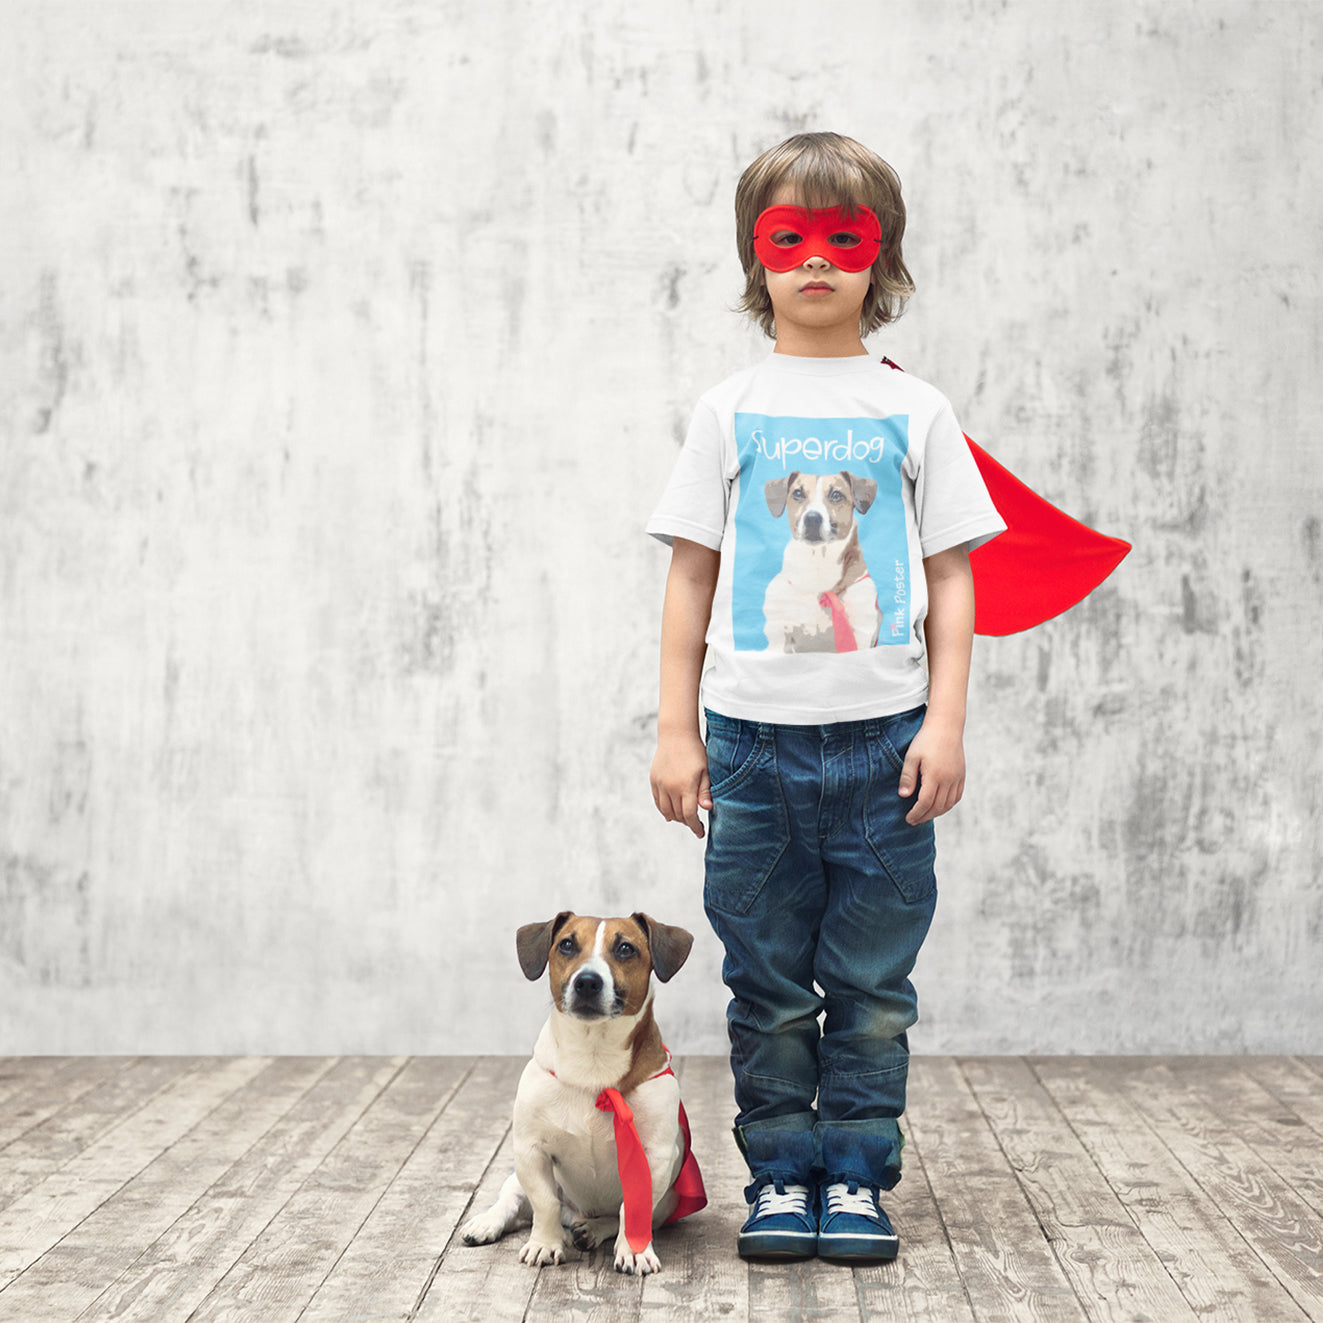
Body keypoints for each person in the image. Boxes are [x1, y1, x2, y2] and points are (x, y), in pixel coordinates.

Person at [646, 131, 1006, 1263]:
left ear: (879, 259)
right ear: (756, 259)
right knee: (763, 981)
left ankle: (854, 1176)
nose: (815, 261)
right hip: (751, 750)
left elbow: (952, 577)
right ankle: (779, 1178)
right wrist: (675, 730)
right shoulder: (728, 410)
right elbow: (692, 575)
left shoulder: (917, 412)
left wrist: (945, 722)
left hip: (884, 749)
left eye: (841, 240)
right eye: (788, 238)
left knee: (870, 984)